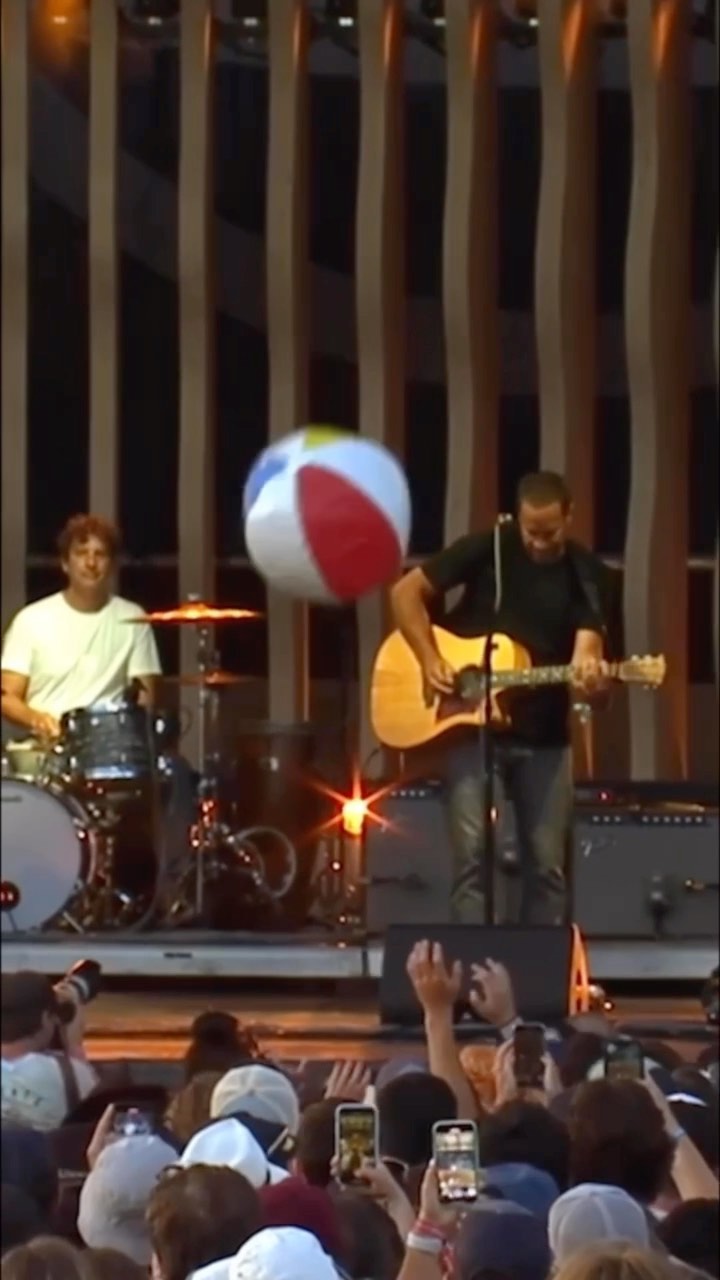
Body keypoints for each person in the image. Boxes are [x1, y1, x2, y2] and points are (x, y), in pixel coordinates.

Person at [390, 470, 615, 925]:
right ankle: (473, 963)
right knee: (472, 857)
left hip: (544, 737)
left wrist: (593, 681)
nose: (538, 543)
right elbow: (405, 593)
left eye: (549, 533)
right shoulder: (489, 548)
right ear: (517, 519)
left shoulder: (588, 576)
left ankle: (538, 965)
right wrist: (430, 658)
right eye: (531, 532)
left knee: (547, 866)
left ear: (569, 517)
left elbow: (587, 657)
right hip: (471, 729)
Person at [1, 513, 161, 742]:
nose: (91, 563)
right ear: (65, 563)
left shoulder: (133, 618)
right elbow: (6, 697)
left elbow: (145, 700)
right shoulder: (30, 620)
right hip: (44, 747)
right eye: (81, 553)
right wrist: (37, 719)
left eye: (100, 554)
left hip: (108, 748)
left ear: (112, 565)